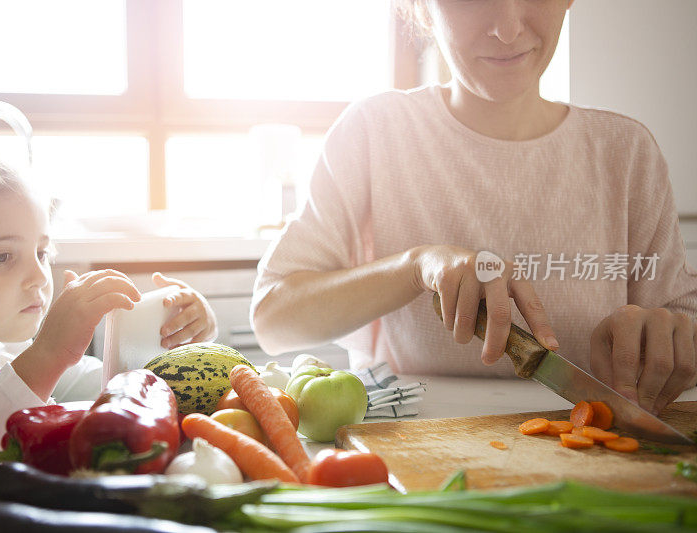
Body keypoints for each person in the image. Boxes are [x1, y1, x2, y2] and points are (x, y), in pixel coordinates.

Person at [251, 0, 697, 418]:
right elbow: (274, 320)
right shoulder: (375, 131)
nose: (507, 29)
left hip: (592, 440)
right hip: (414, 438)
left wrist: (669, 337)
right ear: (423, 8)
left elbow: (684, 322)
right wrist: (414, 267)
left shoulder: (626, 149)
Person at [0, 114, 218, 513]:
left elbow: (120, 389)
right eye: (2, 256)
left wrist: (187, 341)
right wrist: (47, 354)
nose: (38, 275)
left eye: (42, 252)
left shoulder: (7, 360)